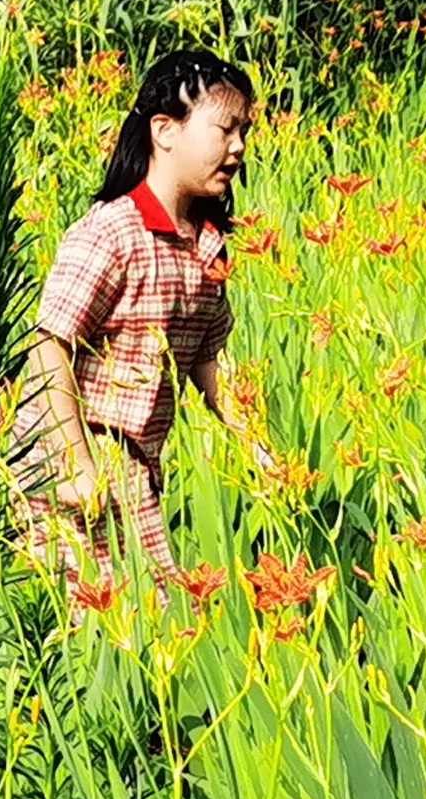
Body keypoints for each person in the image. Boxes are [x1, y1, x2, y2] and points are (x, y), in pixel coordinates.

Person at [16, 50, 269, 573]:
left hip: (133, 475)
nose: (239, 146)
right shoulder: (109, 233)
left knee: (155, 614)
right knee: (97, 616)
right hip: (66, 472)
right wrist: (76, 464)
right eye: (225, 129)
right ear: (164, 130)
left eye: (243, 131)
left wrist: (258, 448)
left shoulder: (206, 245)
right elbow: (47, 347)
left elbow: (209, 361)